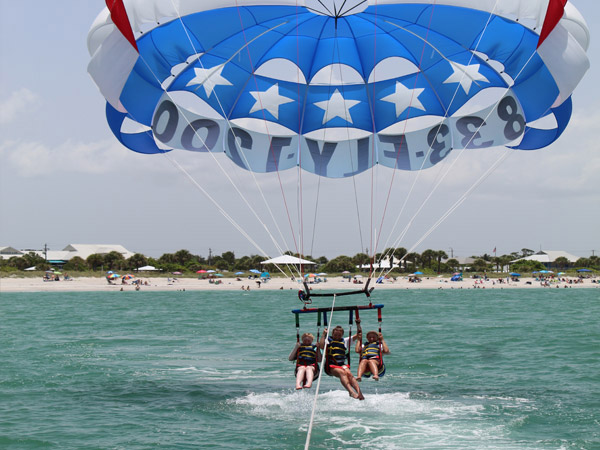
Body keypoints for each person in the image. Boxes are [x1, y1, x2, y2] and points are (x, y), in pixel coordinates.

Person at [318, 322, 364, 400]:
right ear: (332, 334)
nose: (337, 337)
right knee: (342, 373)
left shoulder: (345, 341)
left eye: (339, 335)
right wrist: (323, 335)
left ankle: (359, 393)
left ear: (342, 335)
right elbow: (322, 346)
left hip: (341, 364)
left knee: (349, 374)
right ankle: (351, 392)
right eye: (335, 335)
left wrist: (358, 324)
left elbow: (359, 334)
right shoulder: (327, 340)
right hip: (330, 366)